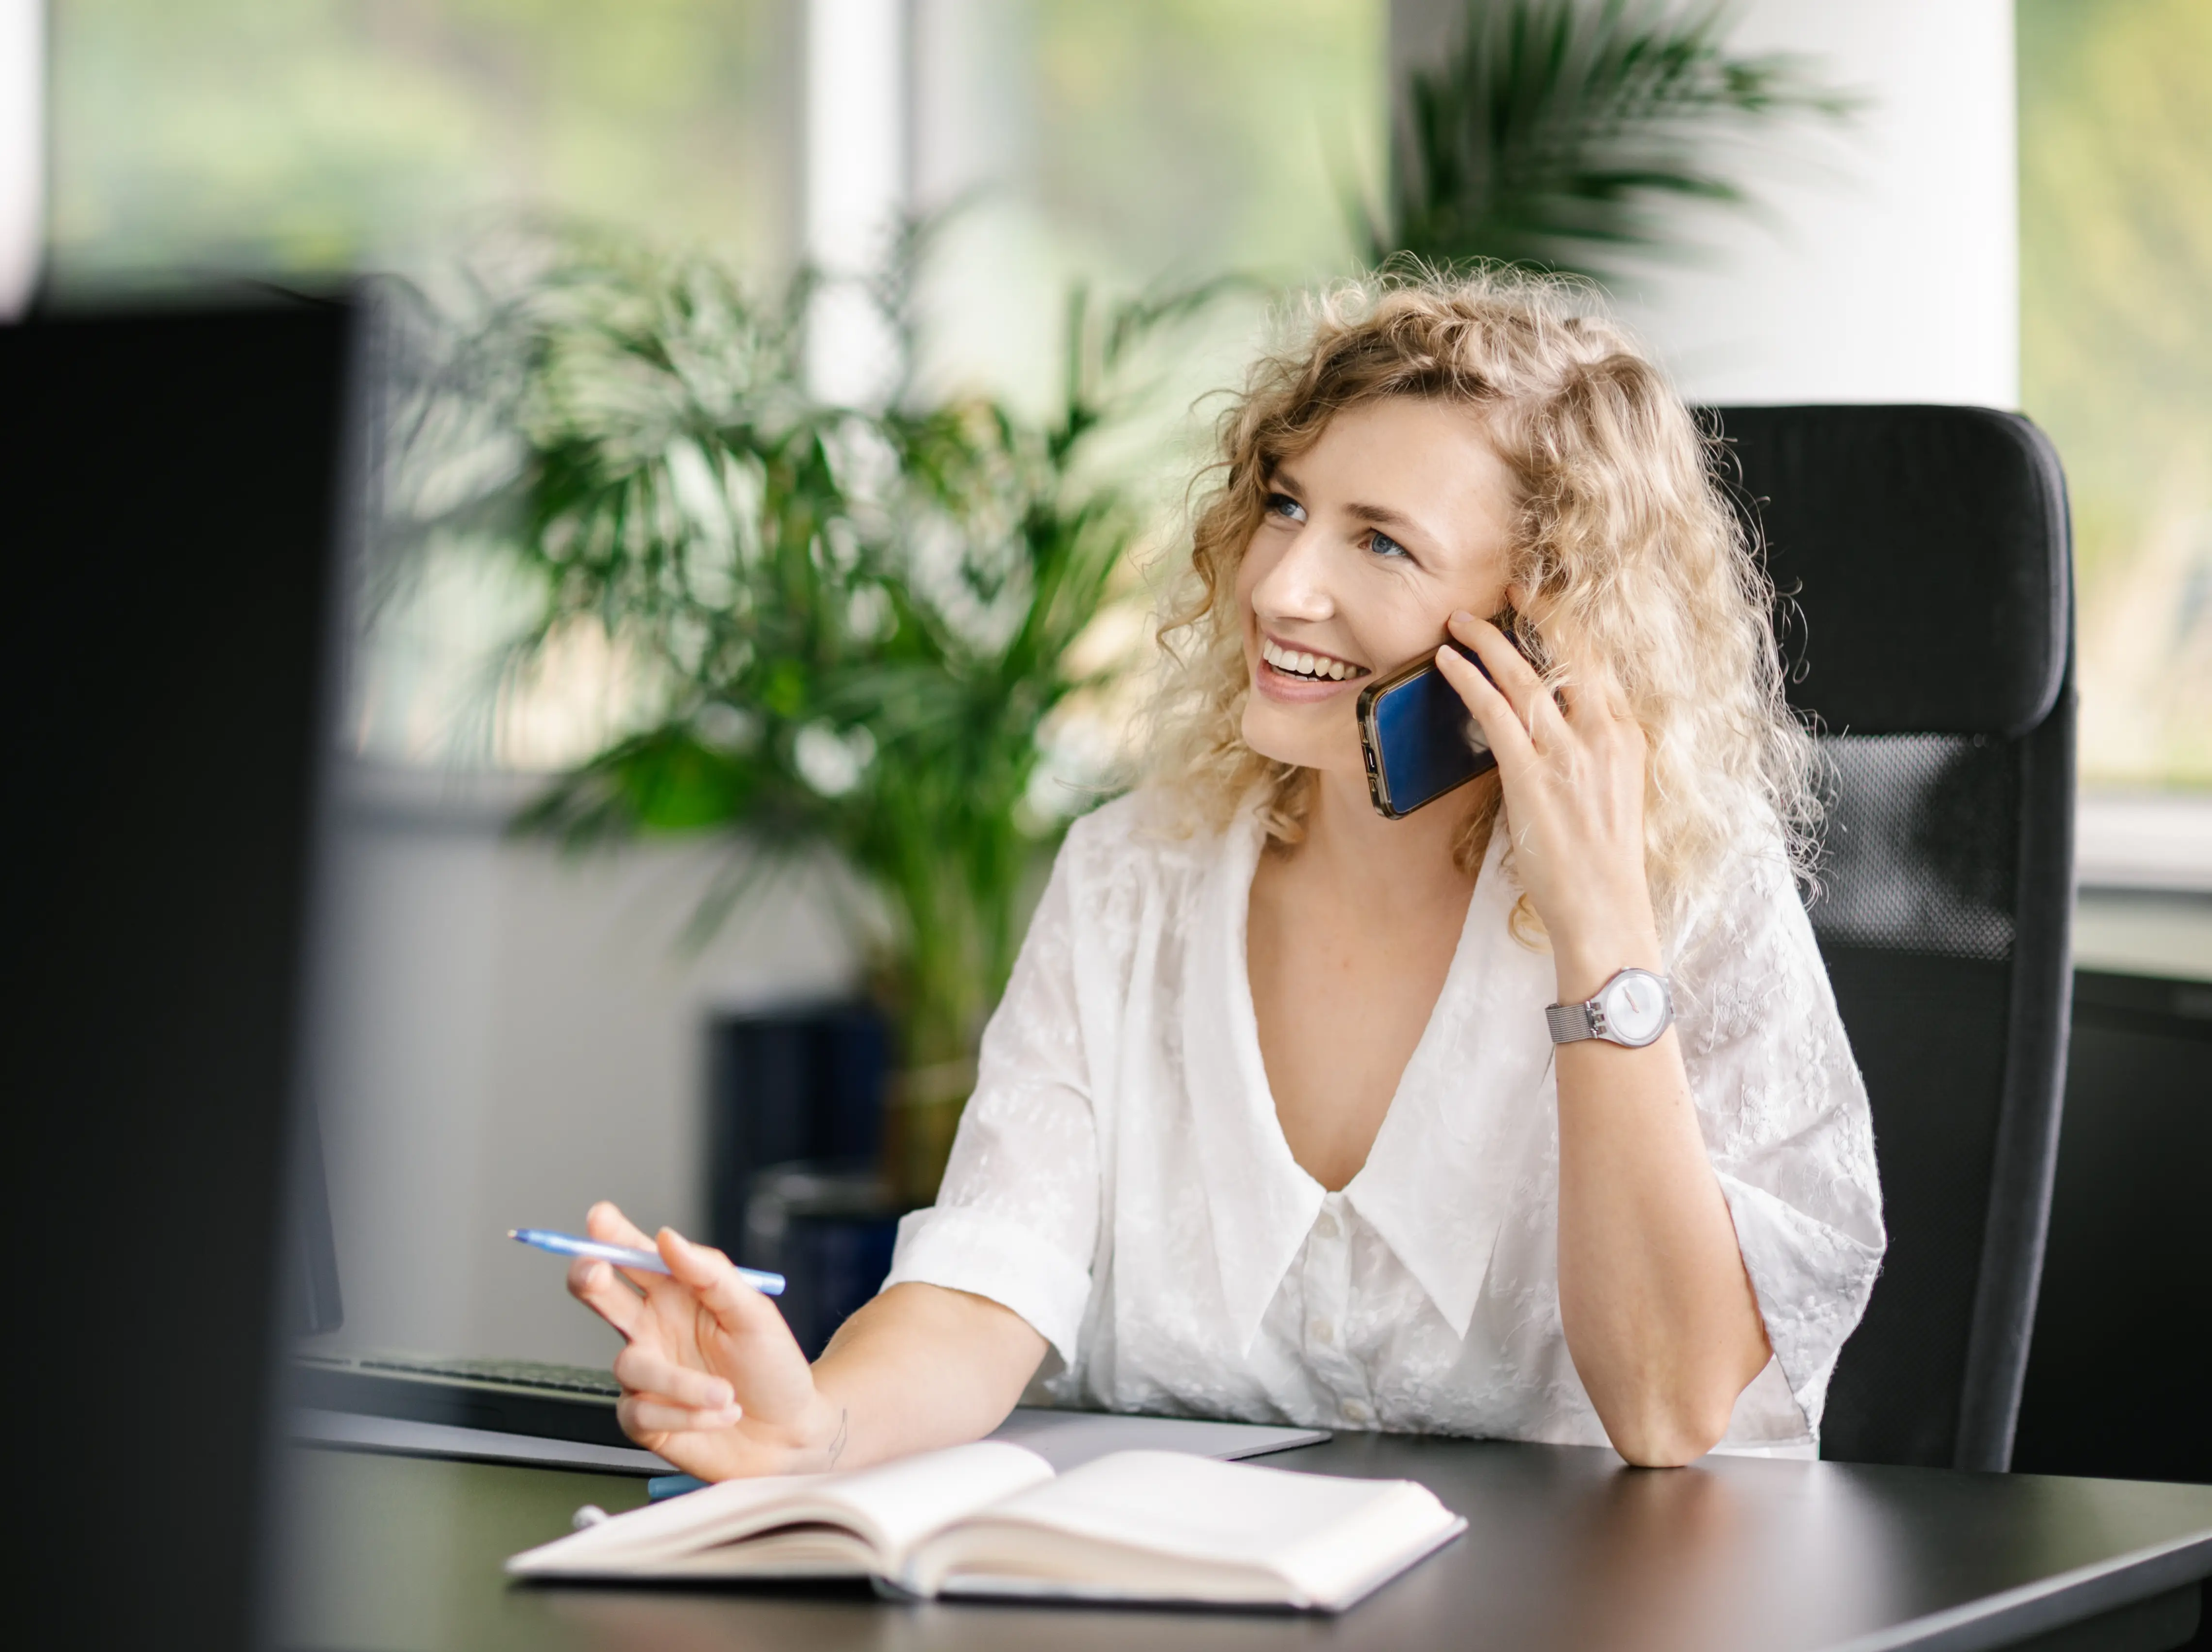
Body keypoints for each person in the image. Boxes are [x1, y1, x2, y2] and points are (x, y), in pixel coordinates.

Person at [566, 272, 1884, 1474]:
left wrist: (1603, 933)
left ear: (1545, 623)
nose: (1283, 583)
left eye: (1382, 543)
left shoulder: (1695, 895)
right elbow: (989, 1278)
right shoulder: (1132, 876)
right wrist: (814, 1424)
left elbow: (1666, 1410)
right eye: (1289, 505)